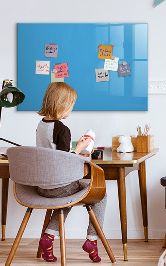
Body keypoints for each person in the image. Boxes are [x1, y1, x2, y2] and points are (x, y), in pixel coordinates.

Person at [36, 82, 106, 263]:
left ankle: (48, 238)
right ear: (62, 105)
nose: (71, 109)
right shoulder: (62, 129)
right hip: (59, 186)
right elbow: (64, 161)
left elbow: (53, 154)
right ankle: (92, 240)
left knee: (66, 197)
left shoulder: (41, 125)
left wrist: (75, 149)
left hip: (42, 186)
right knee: (101, 194)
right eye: (71, 105)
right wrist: (81, 148)